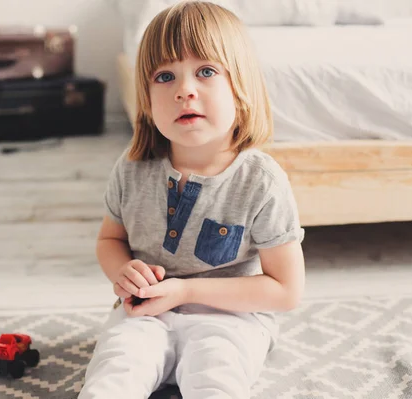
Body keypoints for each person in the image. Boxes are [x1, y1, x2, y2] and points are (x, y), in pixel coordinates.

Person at [79, 1, 305, 398]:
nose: (185, 90)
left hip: (233, 317)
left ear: (240, 89)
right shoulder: (131, 169)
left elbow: (286, 290)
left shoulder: (261, 181)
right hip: (144, 312)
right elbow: (109, 240)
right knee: (114, 373)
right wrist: (123, 271)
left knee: (215, 376)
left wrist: (186, 292)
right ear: (146, 102)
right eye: (165, 76)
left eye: (206, 71)